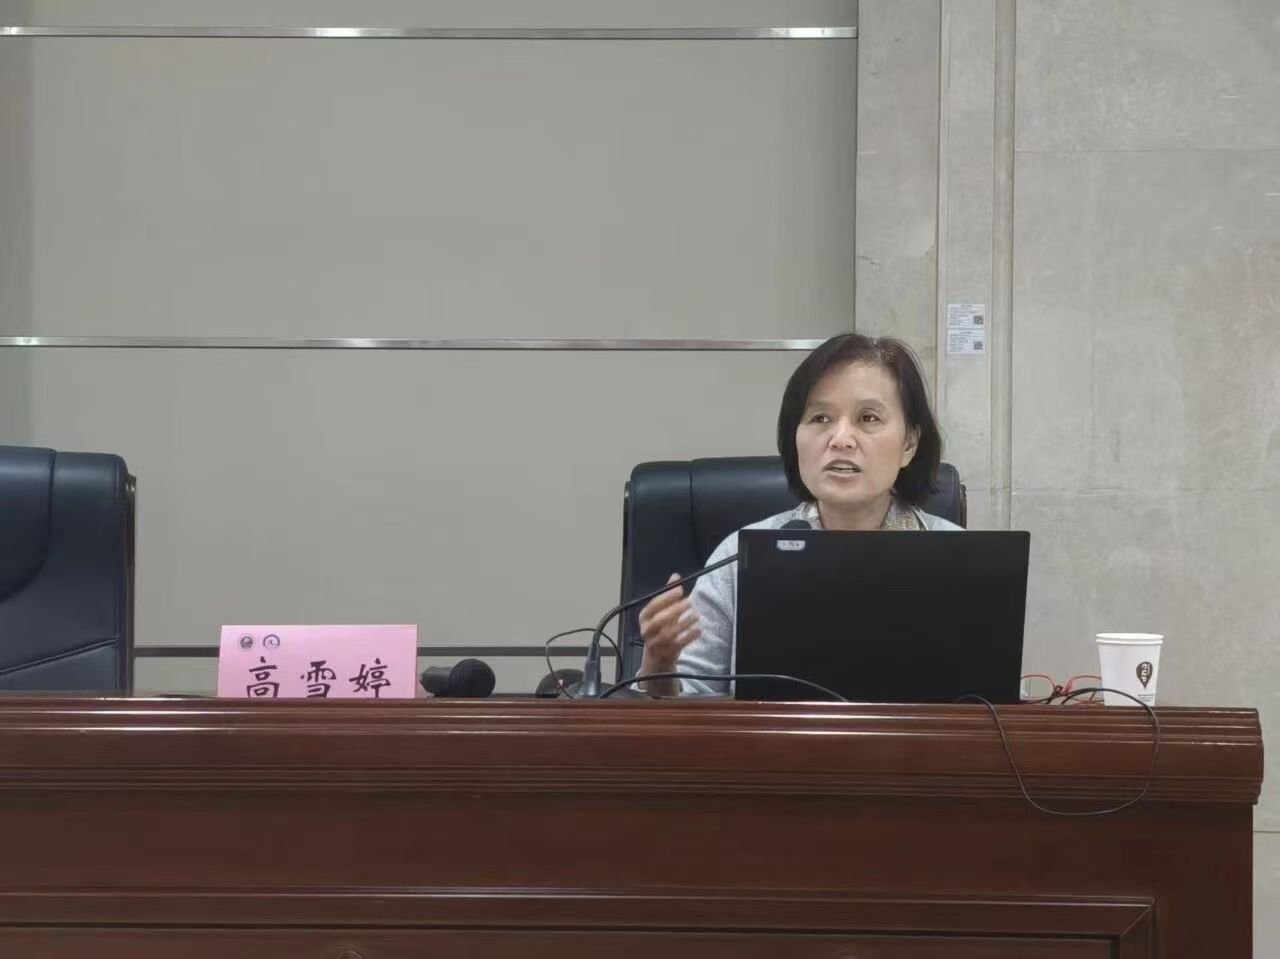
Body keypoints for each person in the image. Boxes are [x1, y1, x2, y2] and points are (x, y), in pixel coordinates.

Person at [637, 333, 961, 696]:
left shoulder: (958, 559)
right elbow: (685, 704)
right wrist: (660, 666)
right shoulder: (740, 555)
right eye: (820, 418)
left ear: (909, 444)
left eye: (868, 418)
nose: (841, 439)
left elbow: (991, 703)